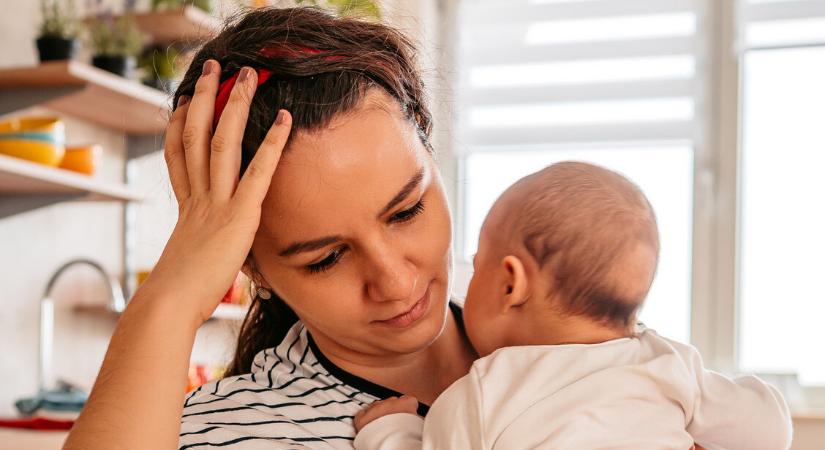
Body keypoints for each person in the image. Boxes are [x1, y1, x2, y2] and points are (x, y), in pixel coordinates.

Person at [63, 6, 708, 450]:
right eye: (325, 258)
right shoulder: (242, 429)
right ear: (250, 265)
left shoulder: (567, 331)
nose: (395, 283)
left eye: (407, 211)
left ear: (432, 155)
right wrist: (173, 297)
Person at [351, 162, 793, 450]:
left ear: (510, 283)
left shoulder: (481, 393)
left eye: (478, 263)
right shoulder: (668, 363)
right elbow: (770, 431)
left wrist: (388, 430)